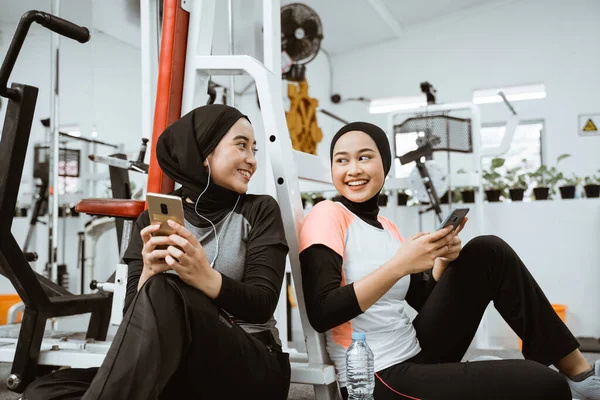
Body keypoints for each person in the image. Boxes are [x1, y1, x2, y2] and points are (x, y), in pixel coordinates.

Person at [298, 121, 600, 400]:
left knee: (487, 251)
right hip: (377, 376)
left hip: (416, 349)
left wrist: (440, 263)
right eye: (342, 160)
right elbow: (322, 311)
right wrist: (400, 264)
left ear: (385, 164)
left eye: (364, 157)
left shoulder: (387, 228)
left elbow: (422, 299)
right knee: (545, 385)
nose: (353, 169)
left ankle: (580, 373)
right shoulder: (327, 214)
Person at [23, 105, 291, 399]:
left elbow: (262, 303)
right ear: (204, 151)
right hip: (180, 365)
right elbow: (134, 322)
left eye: (254, 150)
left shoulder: (261, 210)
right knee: (43, 391)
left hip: (251, 362)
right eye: (242, 145)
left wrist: (203, 275)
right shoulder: (151, 218)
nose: (252, 160)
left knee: (166, 288)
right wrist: (149, 273)